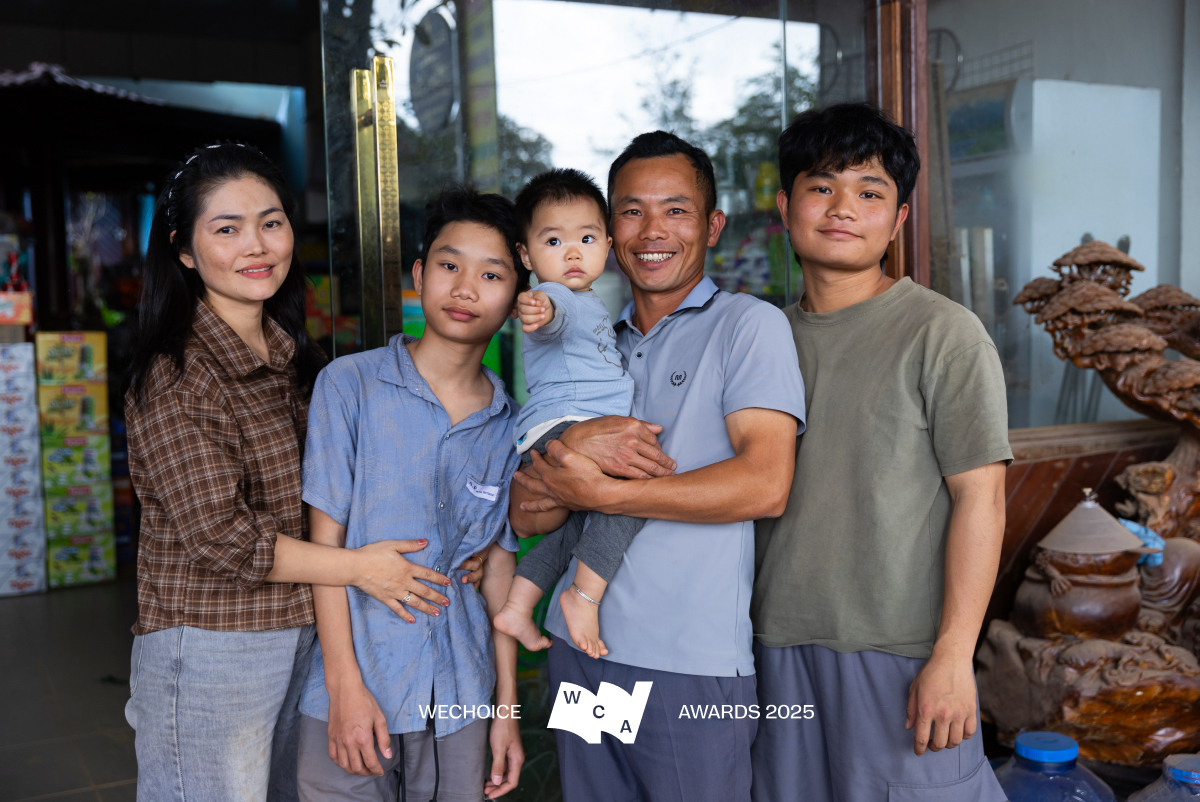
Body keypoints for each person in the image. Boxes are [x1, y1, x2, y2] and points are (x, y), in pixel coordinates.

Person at [124, 143, 482, 801]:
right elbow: (222, 539)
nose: (256, 245)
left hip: (301, 638)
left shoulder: (298, 361)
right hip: (212, 648)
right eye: (227, 229)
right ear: (184, 251)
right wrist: (361, 568)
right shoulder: (178, 375)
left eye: (271, 222)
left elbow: (354, 491)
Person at [510, 132, 806, 802]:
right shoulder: (589, 345)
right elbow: (529, 513)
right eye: (631, 211)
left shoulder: (747, 325)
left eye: (676, 210)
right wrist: (570, 449)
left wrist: (603, 492)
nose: (652, 231)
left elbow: (766, 485)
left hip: (689, 665)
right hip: (580, 657)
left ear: (712, 226)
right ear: (610, 232)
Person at [750, 103, 1011, 801]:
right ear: (785, 207)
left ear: (898, 220)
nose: (843, 208)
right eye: (822, 186)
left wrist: (954, 653)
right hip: (772, 648)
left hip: (902, 654)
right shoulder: (759, 339)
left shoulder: (943, 334)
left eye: (869, 193)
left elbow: (981, 499)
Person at [294, 186, 526, 802]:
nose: (465, 289)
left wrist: (506, 710)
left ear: (516, 299)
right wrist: (343, 686)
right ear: (420, 275)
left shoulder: (512, 426)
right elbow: (324, 550)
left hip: (462, 693)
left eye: (492, 274)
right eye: (450, 266)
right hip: (357, 681)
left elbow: (498, 570)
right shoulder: (350, 385)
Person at [493, 168, 659, 660]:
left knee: (578, 525)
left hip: (556, 426)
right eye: (553, 241)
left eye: (585, 239)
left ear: (607, 245)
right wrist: (540, 309)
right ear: (526, 255)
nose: (571, 253)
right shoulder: (559, 296)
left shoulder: (590, 300)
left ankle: (518, 604)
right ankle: (583, 596)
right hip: (568, 426)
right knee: (631, 497)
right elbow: (551, 314)